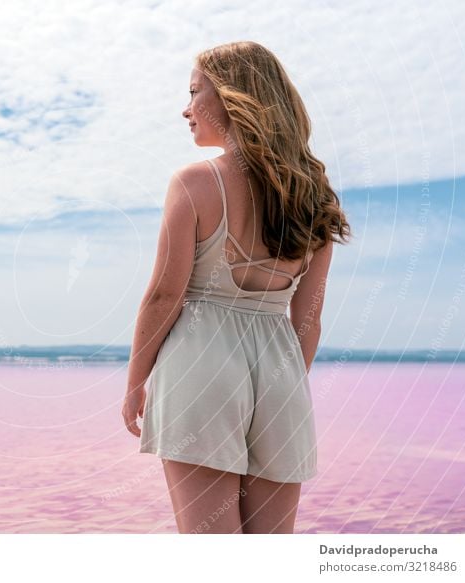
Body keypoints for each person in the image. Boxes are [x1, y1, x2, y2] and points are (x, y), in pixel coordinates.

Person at [122, 41, 351, 534]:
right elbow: (307, 321)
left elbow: (165, 295)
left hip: (200, 367)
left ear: (232, 96)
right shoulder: (313, 197)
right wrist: (283, 383)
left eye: (194, 91)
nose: (185, 108)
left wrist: (135, 382)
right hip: (281, 374)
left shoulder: (194, 182)